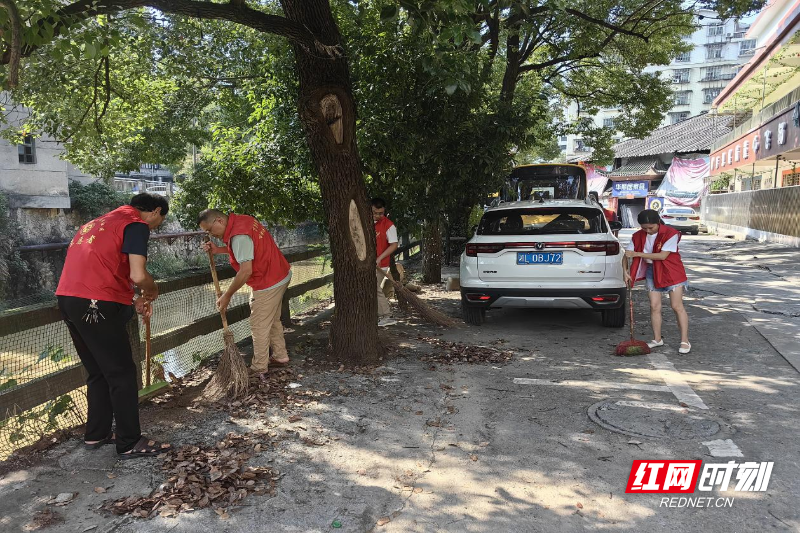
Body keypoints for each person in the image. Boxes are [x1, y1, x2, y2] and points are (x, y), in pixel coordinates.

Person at [56, 193, 172, 459]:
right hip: (95, 303)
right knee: (121, 373)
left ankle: (96, 434)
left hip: (68, 299)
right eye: (159, 221)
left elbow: (104, 269)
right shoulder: (136, 225)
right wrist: (151, 290)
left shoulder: (95, 224)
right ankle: (130, 442)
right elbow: (138, 274)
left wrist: (132, 298)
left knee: (98, 370)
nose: (154, 227)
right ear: (155, 211)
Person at [198, 210, 292, 380]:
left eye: (210, 230)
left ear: (219, 220)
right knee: (271, 319)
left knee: (259, 325)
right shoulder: (243, 220)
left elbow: (245, 271)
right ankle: (280, 355)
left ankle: (259, 367)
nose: (211, 234)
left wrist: (227, 295)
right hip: (280, 273)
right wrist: (218, 249)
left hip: (267, 281)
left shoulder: (238, 235)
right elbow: (245, 249)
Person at [623, 209, 691, 354]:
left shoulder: (670, 233)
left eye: (651, 228)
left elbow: (662, 256)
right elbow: (626, 254)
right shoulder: (637, 236)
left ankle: (685, 341)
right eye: (644, 228)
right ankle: (657, 339)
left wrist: (637, 254)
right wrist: (625, 271)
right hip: (652, 271)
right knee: (654, 306)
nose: (648, 231)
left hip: (671, 271)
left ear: (658, 222)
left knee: (676, 306)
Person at [372, 198, 399, 327]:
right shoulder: (364, 222)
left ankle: (386, 316)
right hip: (366, 263)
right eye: (375, 212)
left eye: (380, 213)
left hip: (380, 264)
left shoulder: (389, 225)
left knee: (374, 288)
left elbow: (393, 245)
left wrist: (379, 258)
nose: (377, 216)